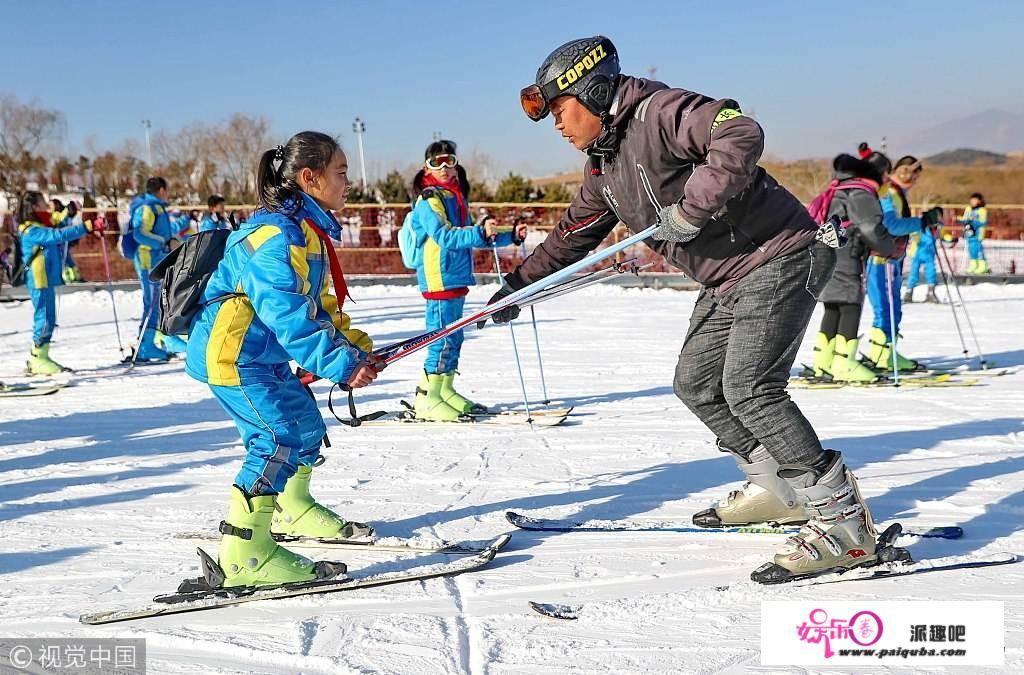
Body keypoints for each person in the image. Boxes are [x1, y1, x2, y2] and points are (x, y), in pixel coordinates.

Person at [501, 35, 883, 581]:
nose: (559, 126)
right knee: (697, 383)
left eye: (561, 111)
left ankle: (845, 526)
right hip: (725, 278)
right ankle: (780, 487)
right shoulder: (603, 168)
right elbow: (572, 235)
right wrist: (518, 284)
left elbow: (739, 131)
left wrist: (693, 207)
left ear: (594, 90)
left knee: (752, 389)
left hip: (778, 253)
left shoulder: (659, 111)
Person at [185, 131, 379, 588]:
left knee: (305, 428)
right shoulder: (276, 238)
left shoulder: (304, 233)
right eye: (342, 173)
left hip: (261, 354)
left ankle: (293, 507)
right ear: (310, 178)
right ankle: (244, 554)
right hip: (233, 355)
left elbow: (320, 307)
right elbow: (288, 315)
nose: (349, 182)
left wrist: (356, 350)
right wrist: (342, 366)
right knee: (275, 439)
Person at [406, 140, 526, 421]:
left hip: (455, 276)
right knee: (440, 337)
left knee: (454, 336)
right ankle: (428, 397)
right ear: (427, 167)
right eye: (437, 163)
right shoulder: (429, 199)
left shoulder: (456, 197)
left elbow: (475, 235)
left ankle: (445, 389)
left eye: (449, 160)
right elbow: (445, 237)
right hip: (439, 278)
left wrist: (511, 235)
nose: (445, 168)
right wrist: (479, 232)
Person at [812, 153, 902, 383]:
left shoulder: (838, 188)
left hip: (826, 252)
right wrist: (890, 246)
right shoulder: (860, 193)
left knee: (833, 306)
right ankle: (844, 362)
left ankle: (824, 362)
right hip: (846, 253)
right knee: (851, 304)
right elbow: (871, 227)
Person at [863, 156, 941, 371]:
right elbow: (891, 225)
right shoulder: (888, 192)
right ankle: (880, 355)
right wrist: (921, 222)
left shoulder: (897, 193)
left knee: (894, 308)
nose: (914, 180)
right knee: (885, 309)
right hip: (880, 259)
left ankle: (889, 352)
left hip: (893, 258)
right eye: (914, 175)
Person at [16, 191, 97, 374]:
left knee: (48, 318)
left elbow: (56, 222)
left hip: (46, 278)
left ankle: (39, 356)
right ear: (35, 207)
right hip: (39, 279)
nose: (47, 206)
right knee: (44, 318)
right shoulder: (31, 230)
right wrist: (87, 226)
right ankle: (38, 358)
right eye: (43, 203)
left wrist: (69, 212)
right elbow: (57, 235)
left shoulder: (41, 223)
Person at [129, 177, 191, 360]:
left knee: (159, 302)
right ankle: (145, 345)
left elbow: (165, 231)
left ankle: (156, 340)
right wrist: (163, 242)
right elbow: (139, 233)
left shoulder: (157, 207)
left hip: (158, 260)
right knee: (152, 304)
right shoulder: (147, 208)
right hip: (148, 261)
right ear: (162, 190)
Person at [51, 199, 84, 283]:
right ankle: (73, 275)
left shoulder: (58, 213)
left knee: (63, 257)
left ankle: (68, 276)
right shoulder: (61, 213)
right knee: (65, 257)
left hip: (60, 238)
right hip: (60, 238)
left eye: (51, 205)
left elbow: (61, 219)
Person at [961, 192, 989, 274]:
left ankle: (983, 265)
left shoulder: (982, 210)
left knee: (978, 250)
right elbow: (965, 219)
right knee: (971, 250)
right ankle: (973, 265)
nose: (972, 202)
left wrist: (973, 221)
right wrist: (959, 220)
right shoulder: (968, 209)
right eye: (971, 200)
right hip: (969, 233)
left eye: (974, 200)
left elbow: (983, 222)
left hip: (978, 234)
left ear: (979, 201)